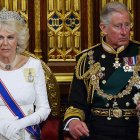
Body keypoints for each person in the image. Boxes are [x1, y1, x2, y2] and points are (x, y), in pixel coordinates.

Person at [63, 2, 140, 140]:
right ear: (103, 28)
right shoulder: (86, 59)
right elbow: (76, 104)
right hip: (96, 132)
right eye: (118, 26)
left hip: (134, 130)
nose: (124, 31)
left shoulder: (137, 53)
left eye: (127, 25)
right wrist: (73, 121)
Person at [0, 8, 51, 140]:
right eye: (0, 37)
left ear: (18, 39)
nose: (5, 43)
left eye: (10, 37)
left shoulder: (34, 65)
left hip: (25, 134)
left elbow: (44, 109)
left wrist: (20, 124)